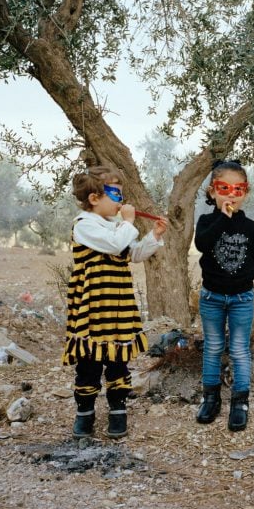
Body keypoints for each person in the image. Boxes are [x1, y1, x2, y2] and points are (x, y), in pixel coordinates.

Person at [63, 165, 168, 440]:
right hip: (93, 304)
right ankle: (84, 414)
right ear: (94, 198)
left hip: (118, 302)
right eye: (114, 193)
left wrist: (153, 236)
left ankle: (117, 412)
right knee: (88, 361)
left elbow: (132, 254)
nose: (121, 200)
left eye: (121, 194)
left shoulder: (115, 226)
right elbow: (113, 244)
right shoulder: (85, 225)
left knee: (118, 359)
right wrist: (129, 222)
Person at [193, 159, 254, 431]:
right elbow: (202, 243)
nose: (231, 194)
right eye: (224, 188)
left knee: (238, 349)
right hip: (211, 297)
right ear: (212, 192)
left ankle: (240, 401)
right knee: (213, 347)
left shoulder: (249, 227)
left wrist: (242, 275)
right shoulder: (206, 221)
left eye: (238, 189)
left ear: (245, 193)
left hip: (241, 299)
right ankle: (210, 399)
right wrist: (223, 218)